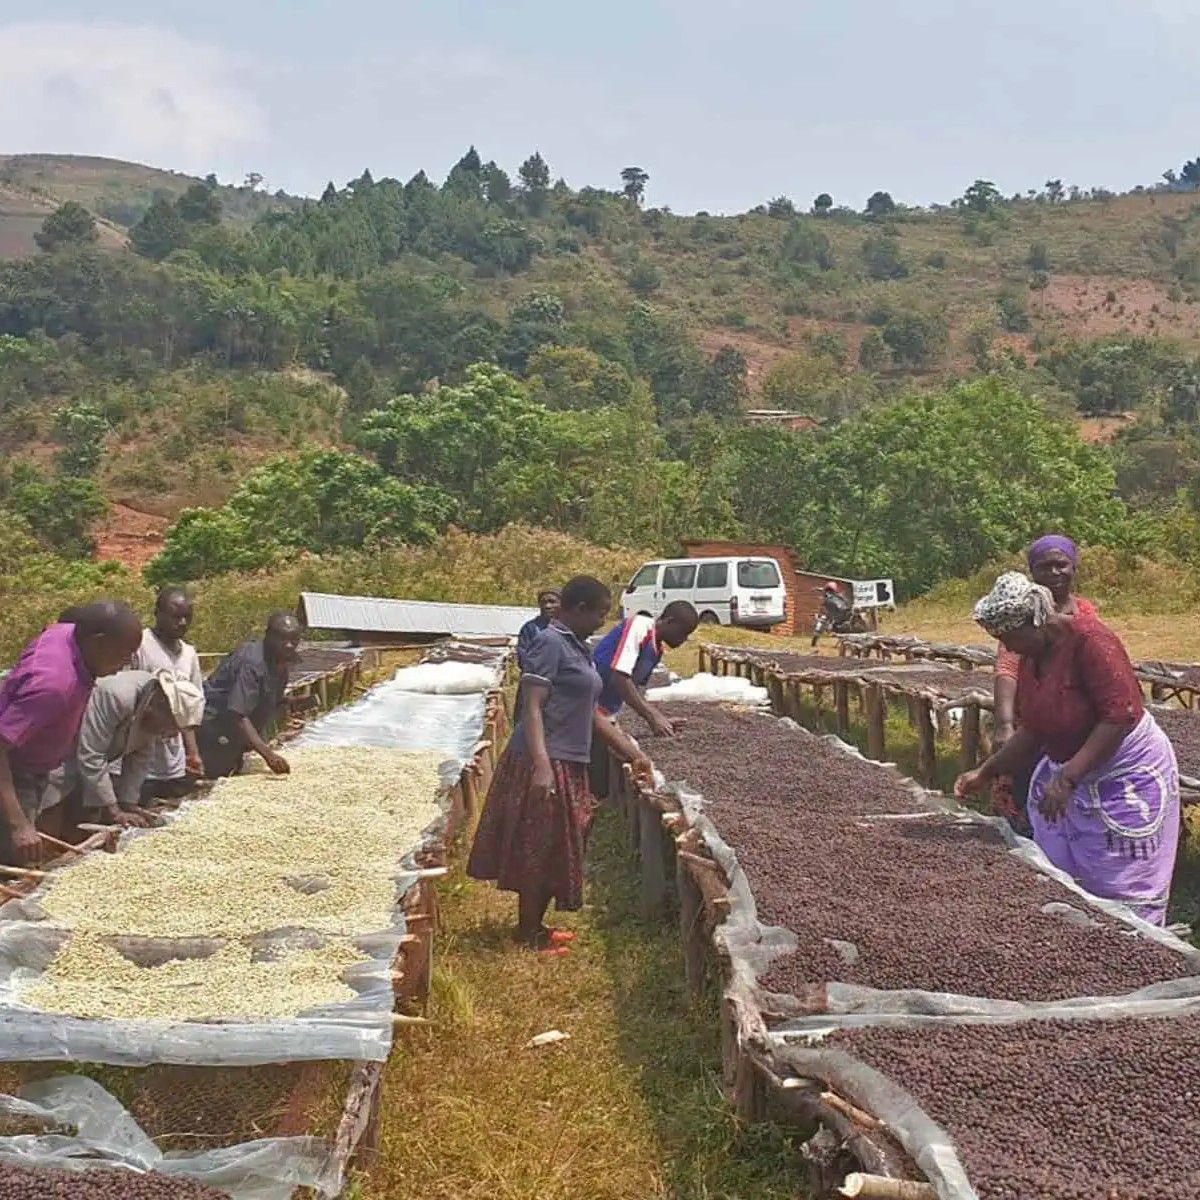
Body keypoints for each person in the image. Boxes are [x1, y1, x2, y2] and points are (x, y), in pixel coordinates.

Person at [956, 572, 1180, 925]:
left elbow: (1119, 716)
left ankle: (1139, 940)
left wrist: (1068, 778)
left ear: (1035, 622)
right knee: (1065, 871)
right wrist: (986, 771)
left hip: (1124, 773)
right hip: (1075, 770)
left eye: (1010, 637)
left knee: (1122, 880)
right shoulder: (1033, 658)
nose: (1009, 648)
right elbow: (1034, 729)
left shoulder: (1092, 641)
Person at [468, 575, 653, 953]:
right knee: (539, 844)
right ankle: (528, 933)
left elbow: (592, 715)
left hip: (568, 759)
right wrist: (541, 766)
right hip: (545, 756)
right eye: (601, 614)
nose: (604, 622)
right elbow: (532, 707)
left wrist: (634, 754)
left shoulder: (577, 647)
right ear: (580, 609)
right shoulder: (549, 643)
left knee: (557, 845)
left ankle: (535, 926)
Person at [0, 602, 142, 863]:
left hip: (34, 763)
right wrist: (19, 825)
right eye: (124, 654)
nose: (127, 664)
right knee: (14, 858)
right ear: (98, 642)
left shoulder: (68, 632)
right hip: (14, 771)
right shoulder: (54, 687)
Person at [991, 534, 1097, 832]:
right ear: (1032, 573)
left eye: (1061, 565)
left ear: (1073, 568)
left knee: (1073, 802)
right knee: (1026, 794)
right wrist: (1004, 724)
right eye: (1044, 567)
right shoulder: (1022, 612)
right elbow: (1007, 666)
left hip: (1076, 727)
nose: (1054, 573)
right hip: (1034, 724)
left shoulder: (1087, 614)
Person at [48, 671, 205, 829]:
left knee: (87, 814)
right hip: (58, 756)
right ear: (161, 707)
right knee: (51, 816)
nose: (169, 735)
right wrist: (115, 811)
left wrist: (128, 803)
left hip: (88, 767)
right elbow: (91, 755)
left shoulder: (152, 710)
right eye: (171, 727)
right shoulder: (117, 695)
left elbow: (140, 758)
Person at [197, 612, 301, 779]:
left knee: (234, 768)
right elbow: (238, 714)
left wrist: (289, 702)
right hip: (214, 726)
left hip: (234, 731)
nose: (289, 645)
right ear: (269, 636)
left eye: (294, 640)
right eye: (283, 639)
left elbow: (262, 699)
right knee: (217, 775)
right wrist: (268, 755)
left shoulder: (280, 660)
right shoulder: (252, 663)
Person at [129, 587, 205, 801]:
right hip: (138, 756)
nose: (182, 623)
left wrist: (193, 753)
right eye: (175, 617)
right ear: (158, 614)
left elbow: (188, 711)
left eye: (187, 618)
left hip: (172, 759)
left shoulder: (189, 654)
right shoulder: (140, 645)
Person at [516, 590, 561, 672]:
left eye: (552, 602)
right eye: (543, 602)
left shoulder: (568, 628)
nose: (547, 606)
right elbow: (523, 657)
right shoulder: (529, 628)